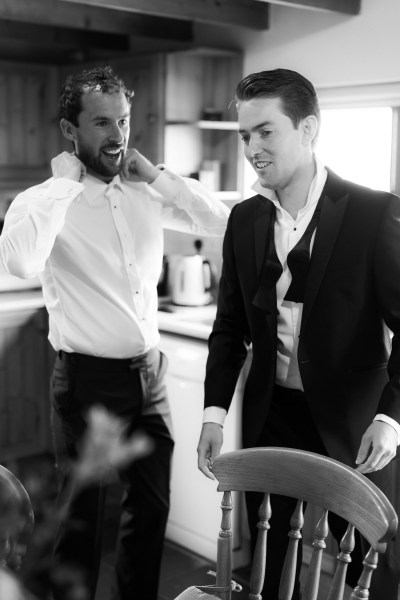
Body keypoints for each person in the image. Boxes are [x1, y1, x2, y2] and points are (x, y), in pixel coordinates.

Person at [0, 65, 229, 600]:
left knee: (150, 512)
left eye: (123, 120)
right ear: (69, 130)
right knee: (82, 522)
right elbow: (20, 262)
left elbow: (221, 220)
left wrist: (158, 177)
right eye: (102, 123)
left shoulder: (145, 190)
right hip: (87, 383)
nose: (118, 135)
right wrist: (63, 185)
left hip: (149, 376)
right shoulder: (45, 199)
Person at [197, 68, 400, 600]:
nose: (252, 148)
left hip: (354, 425)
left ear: (308, 129)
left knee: (370, 568)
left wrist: (390, 416)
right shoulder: (243, 220)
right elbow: (230, 327)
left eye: (266, 132)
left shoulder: (374, 212)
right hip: (271, 415)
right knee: (271, 554)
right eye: (245, 135)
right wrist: (214, 413)